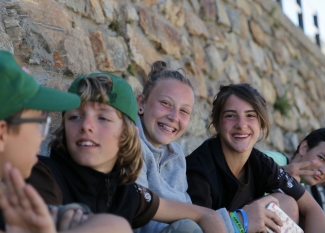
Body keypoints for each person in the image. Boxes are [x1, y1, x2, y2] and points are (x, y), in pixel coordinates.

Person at [30, 72, 226, 232]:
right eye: (74, 117)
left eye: (103, 118)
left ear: (128, 132)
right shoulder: (41, 174)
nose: (86, 126)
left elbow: (204, 214)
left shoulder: (124, 192)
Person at [135, 61, 285, 233]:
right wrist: (237, 222)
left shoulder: (176, 155)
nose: (174, 116)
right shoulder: (130, 144)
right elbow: (142, 211)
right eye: (165, 103)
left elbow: (189, 214)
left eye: (184, 111)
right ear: (141, 102)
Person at [0, 50, 132, 233]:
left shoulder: (123, 187)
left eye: (103, 118)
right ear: (1, 135)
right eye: (39, 123)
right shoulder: (44, 174)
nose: (42, 136)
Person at [186, 83, 325, 232]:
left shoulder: (261, 163)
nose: (241, 125)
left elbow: (314, 210)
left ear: (261, 125)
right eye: (230, 115)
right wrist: (242, 221)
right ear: (216, 124)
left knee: (287, 204)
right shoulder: (200, 171)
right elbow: (198, 227)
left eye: (250, 116)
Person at [279, 128, 325, 233]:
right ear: (304, 148)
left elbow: (318, 225)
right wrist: (278, 174)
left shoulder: (309, 189)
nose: (324, 171)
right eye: (321, 158)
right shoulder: (273, 161)